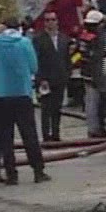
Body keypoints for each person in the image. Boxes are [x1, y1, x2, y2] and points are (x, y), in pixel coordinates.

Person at [0, 17, 48, 185]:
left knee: (5, 137)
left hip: (0, 95)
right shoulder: (25, 43)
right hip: (23, 94)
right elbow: (34, 67)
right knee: (29, 134)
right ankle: (38, 171)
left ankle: (11, 174)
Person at [32, 14, 70, 144]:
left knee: (57, 109)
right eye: (47, 20)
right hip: (45, 79)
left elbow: (67, 58)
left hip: (60, 78)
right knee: (46, 109)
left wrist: (67, 74)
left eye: (53, 20)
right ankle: (46, 135)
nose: (50, 23)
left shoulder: (64, 38)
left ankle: (56, 133)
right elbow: (36, 60)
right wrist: (40, 78)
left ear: (57, 21)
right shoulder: (38, 39)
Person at [78, 9, 106, 136]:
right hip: (94, 74)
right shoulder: (97, 38)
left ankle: (93, 128)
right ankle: (95, 130)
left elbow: (79, 55)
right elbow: (97, 58)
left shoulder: (84, 36)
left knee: (90, 102)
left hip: (86, 73)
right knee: (94, 103)